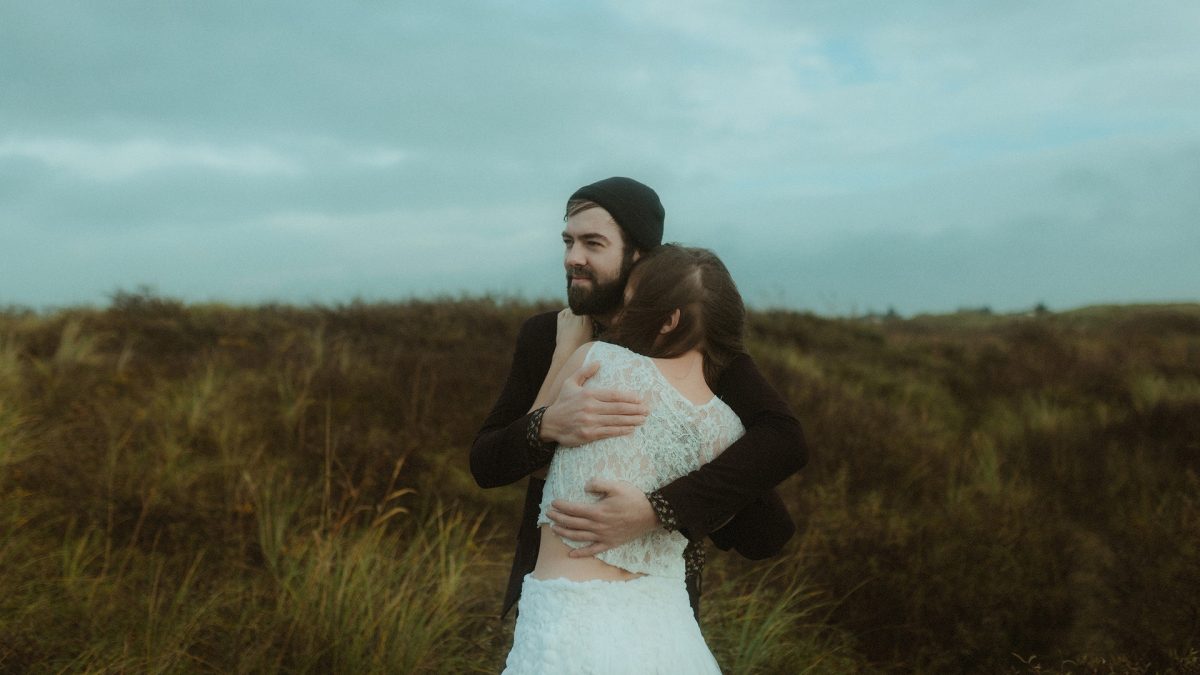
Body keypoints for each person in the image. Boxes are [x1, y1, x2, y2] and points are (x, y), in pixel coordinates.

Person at [470, 177, 807, 623]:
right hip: (555, 591)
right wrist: (547, 424)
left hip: (659, 600)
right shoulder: (545, 334)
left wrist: (656, 510)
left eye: (593, 243)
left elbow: (784, 440)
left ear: (639, 255)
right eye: (568, 241)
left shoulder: (691, 341)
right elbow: (486, 464)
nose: (573, 258)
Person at [503, 244, 750, 672]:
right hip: (673, 640)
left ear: (669, 320)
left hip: (572, 628)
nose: (620, 315)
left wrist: (565, 349)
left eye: (632, 303)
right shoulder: (729, 429)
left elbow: (522, 452)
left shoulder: (597, 361)